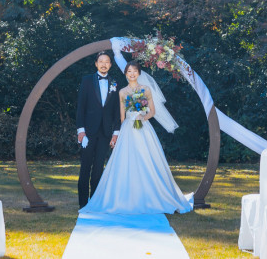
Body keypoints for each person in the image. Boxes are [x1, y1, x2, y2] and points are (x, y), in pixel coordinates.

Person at [82, 60, 193, 214]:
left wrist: (143, 118)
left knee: (146, 159)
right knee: (125, 161)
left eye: (135, 71)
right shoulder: (122, 91)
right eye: (129, 71)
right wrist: (119, 133)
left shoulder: (145, 89)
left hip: (143, 127)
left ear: (139, 73)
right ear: (126, 74)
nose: (132, 74)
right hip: (128, 128)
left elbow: (152, 111)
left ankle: (152, 195)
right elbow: (121, 117)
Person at [76, 51, 121, 209]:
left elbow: (117, 111)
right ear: (96, 63)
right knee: (86, 167)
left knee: (99, 169)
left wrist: (116, 133)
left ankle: (94, 202)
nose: (104, 64)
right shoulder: (87, 80)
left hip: (105, 133)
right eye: (101, 61)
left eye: (107, 61)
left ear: (110, 64)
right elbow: (81, 106)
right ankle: (82, 203)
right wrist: (81, 131)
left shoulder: (115, 83)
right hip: (88, 132)